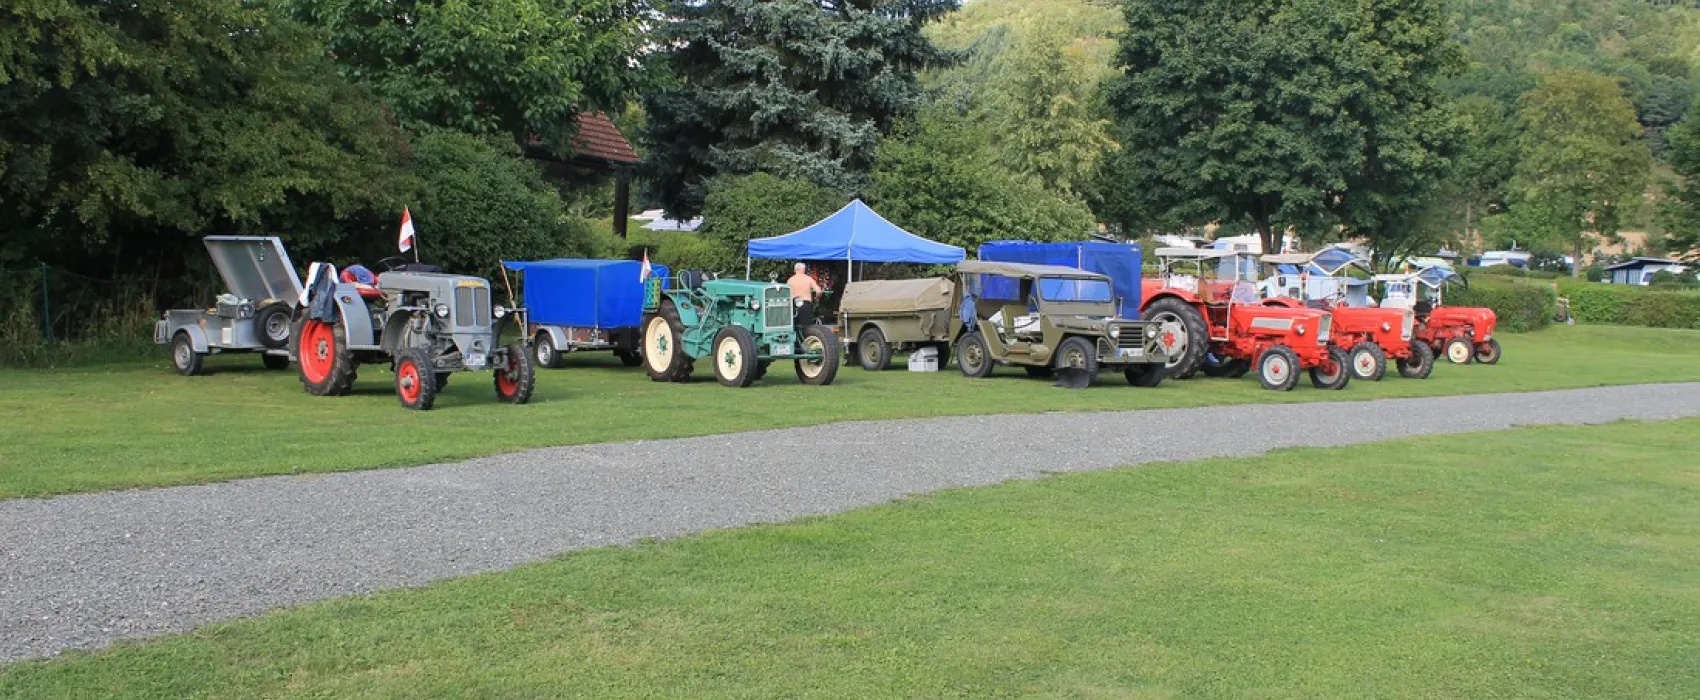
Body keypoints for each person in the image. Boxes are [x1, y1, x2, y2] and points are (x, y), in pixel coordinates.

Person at [788, 262, 823, 326]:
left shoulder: (790, 280)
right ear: (803, 269)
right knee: (807, 327)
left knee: (793, 325)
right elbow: (819, 291)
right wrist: (816, 298)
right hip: (805, 304)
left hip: (793, 305)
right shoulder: (808, 278)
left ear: (795, 270)